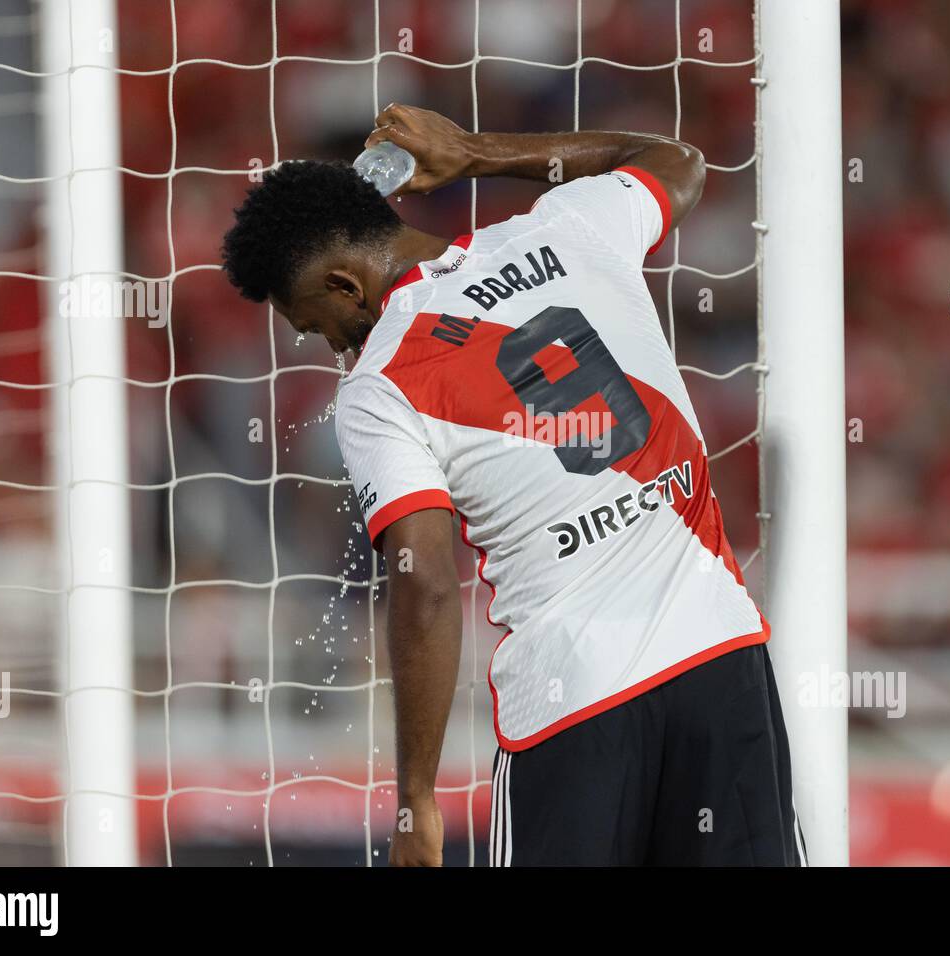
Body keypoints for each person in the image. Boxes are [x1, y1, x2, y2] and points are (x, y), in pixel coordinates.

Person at [221, 104, 804, 866]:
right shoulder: (568, 225)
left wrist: (416, 801)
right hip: (720, 660)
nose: (324, 343)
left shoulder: (380, 389)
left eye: (311, 323)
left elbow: (424, 579)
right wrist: (473, 153)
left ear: (343, 284)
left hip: (574, 703)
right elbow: (677, 160)